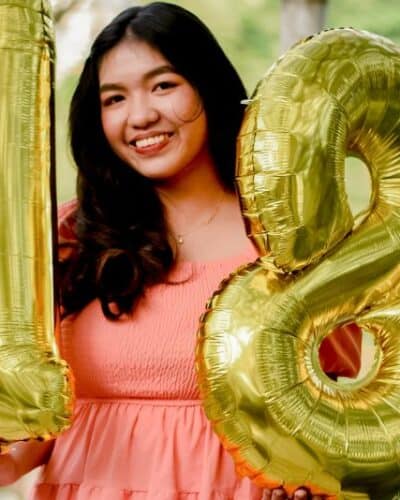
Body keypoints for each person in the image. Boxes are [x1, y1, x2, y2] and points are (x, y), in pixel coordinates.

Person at [0, 3, 361, 499]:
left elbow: (347, 408)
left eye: (163, 85)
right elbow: (50, 422)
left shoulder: (290, 241)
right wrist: (9, 452)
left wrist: (318, 481)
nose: (141, 115)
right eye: (114, 99)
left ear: (207, 86)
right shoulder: (71, 235)